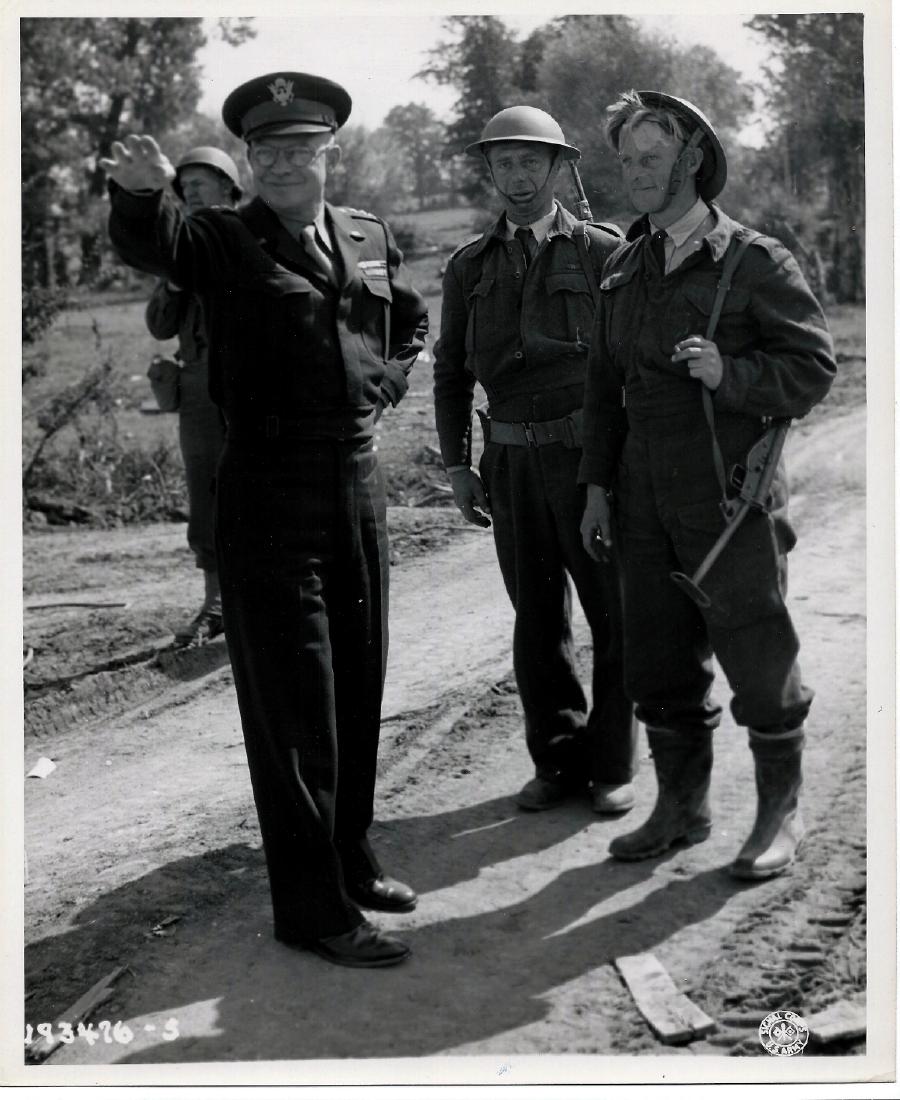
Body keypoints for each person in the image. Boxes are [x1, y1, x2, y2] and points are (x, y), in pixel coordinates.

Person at [101, 72, 428, 967]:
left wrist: (389, 378)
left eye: (302, 148)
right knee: (295, 706)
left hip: (356, 479)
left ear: (332, 153)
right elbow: (156, 241)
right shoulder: (220, 236)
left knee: (358, 679)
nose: (284, 164)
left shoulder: (364, 234)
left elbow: (406, 321)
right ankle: (313, 911)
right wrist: (142, 195)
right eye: (268, 151)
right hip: (269, 489)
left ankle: (351, 855)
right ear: (249, 159)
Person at [579, 90, 836, 879]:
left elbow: (812, 367)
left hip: (728, 498)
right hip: (641, 500)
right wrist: (596, 487)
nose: (634, 173)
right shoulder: (624, 266)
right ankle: (680, 809)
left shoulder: (754, 261)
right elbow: (603, 388)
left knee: (758, 654)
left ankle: (778, 815)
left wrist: (733, 375)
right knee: (657, 660)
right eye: (626, 160)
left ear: (691, 160)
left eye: (650, 158)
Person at [434, 106, 637, 815]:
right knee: (536, 620)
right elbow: (451, 373)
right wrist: (458, 466)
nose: (517, 177)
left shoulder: (604, 252)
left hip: (589, 461)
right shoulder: (468, 266)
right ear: (489, 172)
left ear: (558, 167)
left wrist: (615, 471)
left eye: (530, 162)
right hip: (512, 466)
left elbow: (625, 370)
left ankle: (611, 765)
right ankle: (557, 763)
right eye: (503, 164)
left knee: (613, 614)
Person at [145, 147, 242, 647]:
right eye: (185, 188)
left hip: (252, 383)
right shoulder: (181, 248)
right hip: (201, 389)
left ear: (228, 186)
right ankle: (216, 604)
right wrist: (174, 281)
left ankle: (271, 600)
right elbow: (160, 325)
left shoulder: (255, 235)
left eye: (201, 183)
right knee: (206, 493)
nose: (191, 193)